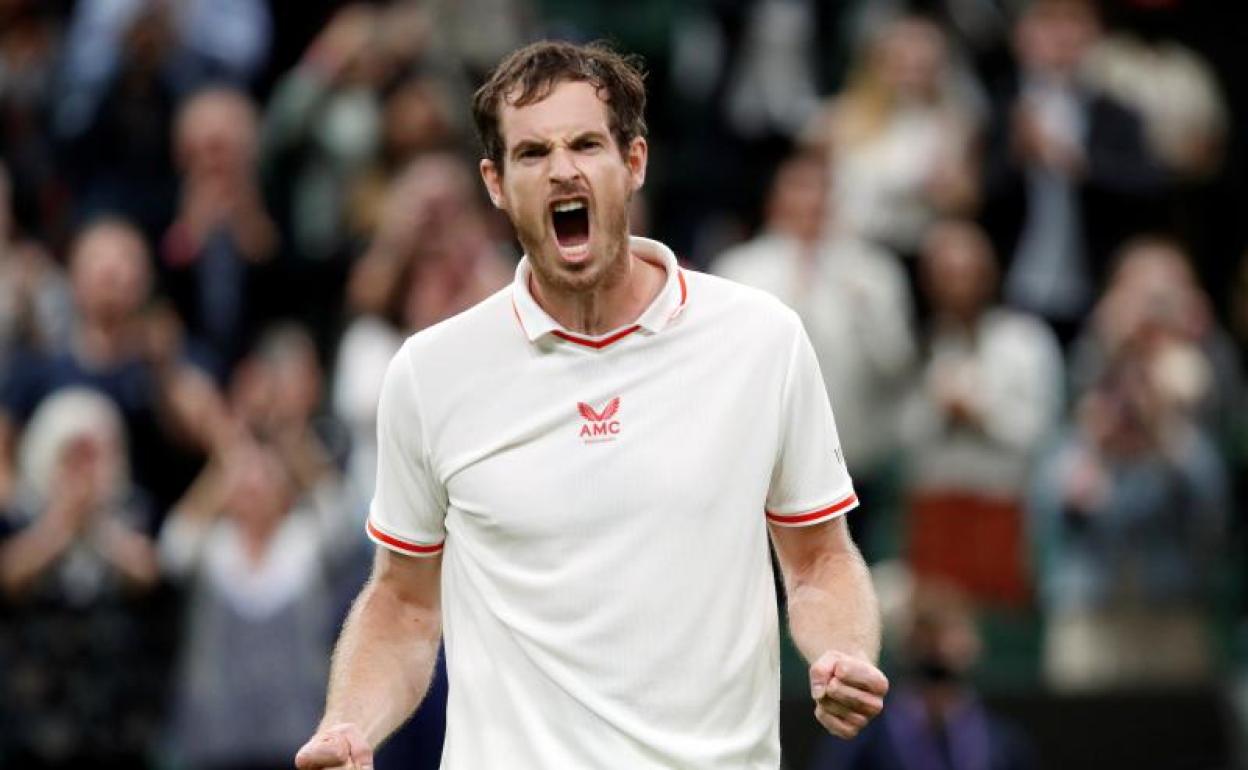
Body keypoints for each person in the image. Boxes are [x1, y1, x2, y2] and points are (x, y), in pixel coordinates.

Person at [295, 40, 888, 770]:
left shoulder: (763, 339)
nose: (562, 170)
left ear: (633, 162)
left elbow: (819, 558)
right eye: (533, 153)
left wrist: (842, 652)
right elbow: (404, 603)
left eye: (585, 144)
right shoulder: (428, 372)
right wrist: (348, 724)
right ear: (496, 183)